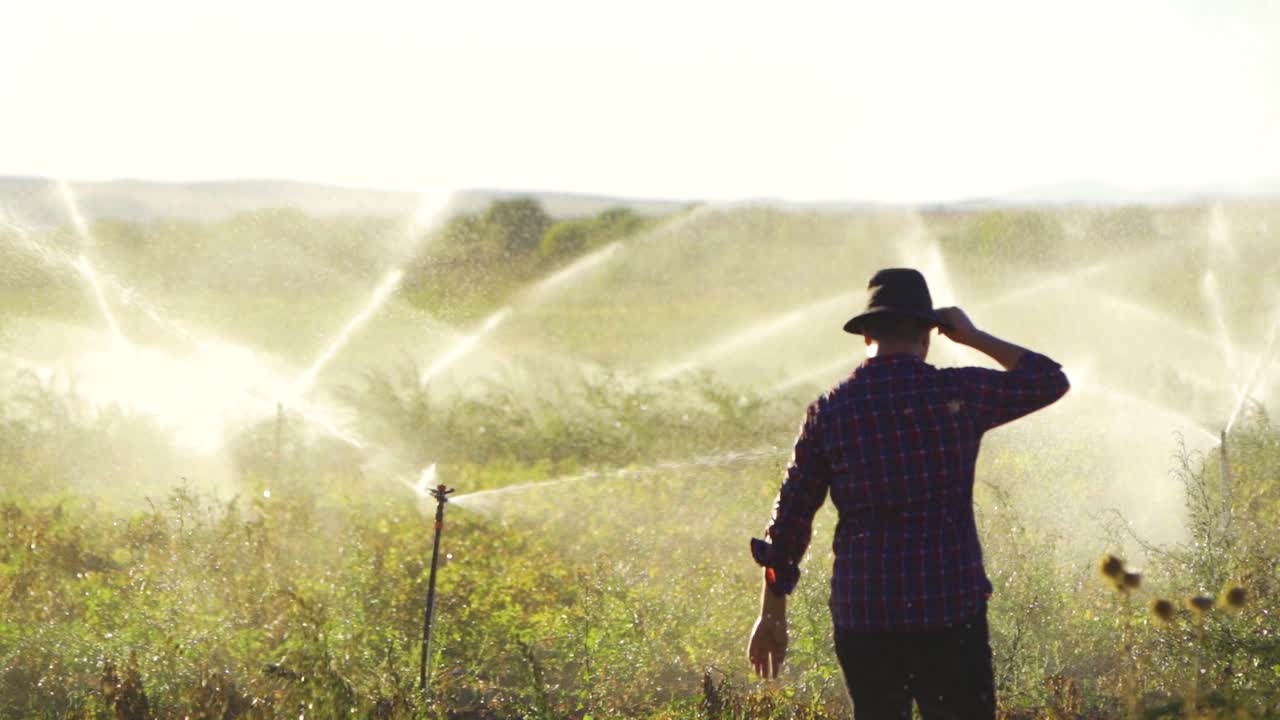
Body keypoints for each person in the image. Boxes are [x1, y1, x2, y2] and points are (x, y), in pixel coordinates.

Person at [747, 268, 1069, 719]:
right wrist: (974, 336)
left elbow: (790, 523)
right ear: (930, 334)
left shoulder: (829, 411)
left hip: (865, 616)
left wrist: (773, 617)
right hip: (950, 609)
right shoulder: (958, 391)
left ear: (865, 337)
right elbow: (1048, 379)